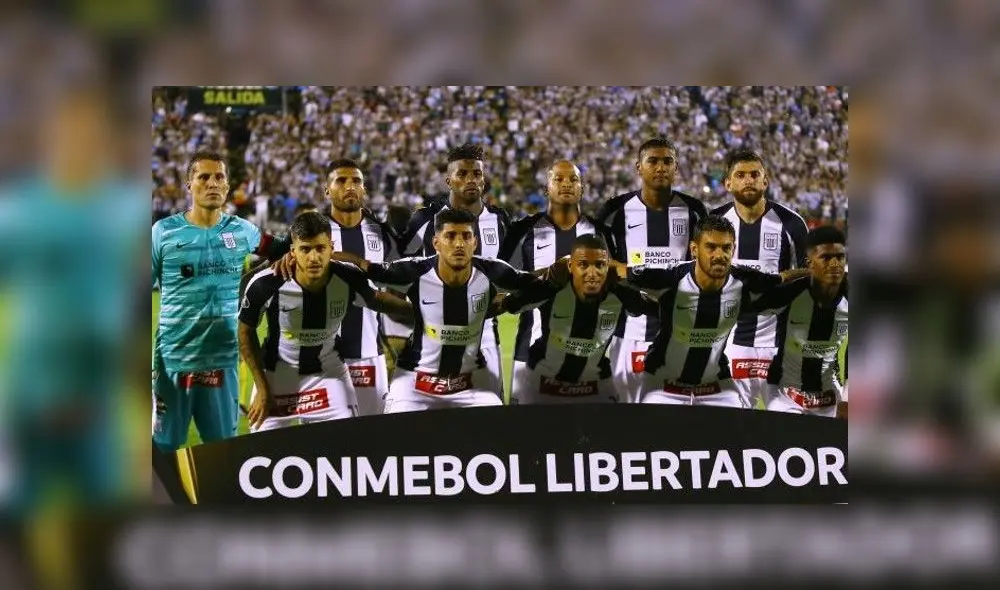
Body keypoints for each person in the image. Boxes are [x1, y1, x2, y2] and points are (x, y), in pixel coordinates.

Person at [350, 208, 556, 412]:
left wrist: (564, 269)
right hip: (416, 381)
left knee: (496, 437)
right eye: (450, 236)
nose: (459, 244)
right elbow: (365, 268)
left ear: (475, 243)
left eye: (466, 236)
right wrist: (330, 261)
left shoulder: (493, 271)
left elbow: (533, 282)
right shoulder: (414, 270)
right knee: (399, 437)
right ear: (436, 243)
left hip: (470, 382)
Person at [152, 151, 284, 452]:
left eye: (219, 177)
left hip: (223, 361)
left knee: (222, 450)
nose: (212, 183)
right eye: (204, 177)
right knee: (164, 451)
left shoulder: (243, 231)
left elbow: (283, 250)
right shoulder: (163, 232)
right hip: (173, 362)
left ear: (227, 186)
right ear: (189, 184)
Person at [238, 212, 412, 431]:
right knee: (263, 455)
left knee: (344, 449)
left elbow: (380, 301)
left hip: (328, 374)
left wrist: (428, 313)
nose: (313, 258)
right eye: (305, 249)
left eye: (320, 248)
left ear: (331, 248)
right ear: (293, 251)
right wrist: (262, 389)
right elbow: (245, 332)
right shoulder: (268, 283)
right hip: (276, 377)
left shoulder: (347, 277)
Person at [618, 215, 808, 407]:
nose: (720, 255)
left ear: (733, 249)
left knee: (736, 429)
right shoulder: (670, 278)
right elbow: (616, 273)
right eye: (711, 247)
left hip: (715, 384)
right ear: (694, 249)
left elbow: (782, 278)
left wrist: (814, 272)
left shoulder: (745, 281)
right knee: (654, 434)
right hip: (662, 382)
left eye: (726, 248)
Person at [596, 137, 709, 403]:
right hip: (629, 330)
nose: (661, 167)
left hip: (681, 330)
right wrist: (632, 274)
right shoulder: (614, 211)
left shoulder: (694, 210)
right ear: (639, 168)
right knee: (628, 417)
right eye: (653, 161)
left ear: (676, 167)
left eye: (667, 161)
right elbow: (599, 263)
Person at [398, 143, 511, 398]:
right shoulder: (425, 221)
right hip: (432, 336)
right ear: (448, 180)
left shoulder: (500, 221)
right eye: (462, 174)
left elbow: (511, 275)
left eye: (477, 174)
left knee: (487, 417)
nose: (471, 180)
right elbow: (398, 264)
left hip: (485, 337)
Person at [499, 160, 611, 404]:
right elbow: (501, 283)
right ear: (546, 188)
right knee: (527, 439)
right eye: (558, 179)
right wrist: (548, 276)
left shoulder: (601, 233)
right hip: (529, 353)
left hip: (589, 358)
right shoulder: (522, 231)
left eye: (573, 179)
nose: (566, 184)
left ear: (583, 187)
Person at [499, 234, 658, 404]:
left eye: (599, 265)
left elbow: (663, 306)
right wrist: (544, 277)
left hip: (596, 386)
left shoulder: (621, 293)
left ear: (608, 267)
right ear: (570, 266)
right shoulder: (551, 287)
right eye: (583, 264)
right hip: (543, 384)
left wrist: (628, 275)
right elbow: (510, 303)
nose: (592, 273)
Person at [711, 148, 809, 409]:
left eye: (755, 174)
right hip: (728, 344)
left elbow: (810, 276)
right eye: (740, 175)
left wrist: (778, 280)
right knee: (732, 428)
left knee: (785, 426)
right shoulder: (715, 223)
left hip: (780, 346)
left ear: (766, 181)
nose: (748, 180)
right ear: (728, 183)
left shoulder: (791, 224)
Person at [320, 159, 398, 415]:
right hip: (322, 357)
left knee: (371, 440)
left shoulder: (383, 233)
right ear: (327, 190)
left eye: (356, 181)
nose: (350, 186)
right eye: (341, 181)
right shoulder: (312, 232)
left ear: (364, 189)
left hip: (369, 355)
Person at [747, 226, 848, 418]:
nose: (835, 263)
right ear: (810, 264)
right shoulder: (790, 293)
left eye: (840, 257)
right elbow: (745, 300)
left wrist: (849, 398)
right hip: (784, 394)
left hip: (828, 395)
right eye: (826, 258)